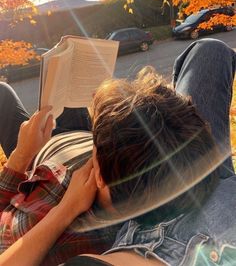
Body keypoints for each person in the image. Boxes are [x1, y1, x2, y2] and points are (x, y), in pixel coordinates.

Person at [0, 38, 235, 266]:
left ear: (100, 176)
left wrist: (21, 156)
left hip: (38, 158)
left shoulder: (80, 240)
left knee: (2, 92)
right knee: (211, 50)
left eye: (96, 143)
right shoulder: (134, 186)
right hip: (80, 143)